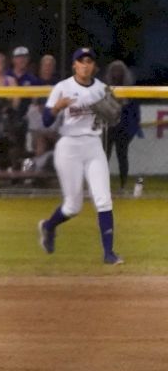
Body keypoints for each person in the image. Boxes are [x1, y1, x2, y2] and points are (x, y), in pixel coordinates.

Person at [38, 48, 123, 265]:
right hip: (68, 147)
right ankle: (48, 226)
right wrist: (57, 107)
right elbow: (46, 121)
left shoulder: (102, 89)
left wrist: (114, 114)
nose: (85, 65)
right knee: (73, 206)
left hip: (93, 145)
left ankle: (109, 253)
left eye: (89, 61)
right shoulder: (63, 87)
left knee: (104, 199)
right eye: (81, 61)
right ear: (74, 65)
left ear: (94, 66)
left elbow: (116, 118)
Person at [104, 60, 140, 192]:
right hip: (109, 128)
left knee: (122, 157)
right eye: (114, 70)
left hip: (124, 129)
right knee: (104, 157)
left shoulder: (130, 89)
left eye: (119, 70)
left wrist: (132, 130)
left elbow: (135, 112)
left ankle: (123, 185)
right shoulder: (105, 88)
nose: (116, 73)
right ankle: (102, 184)